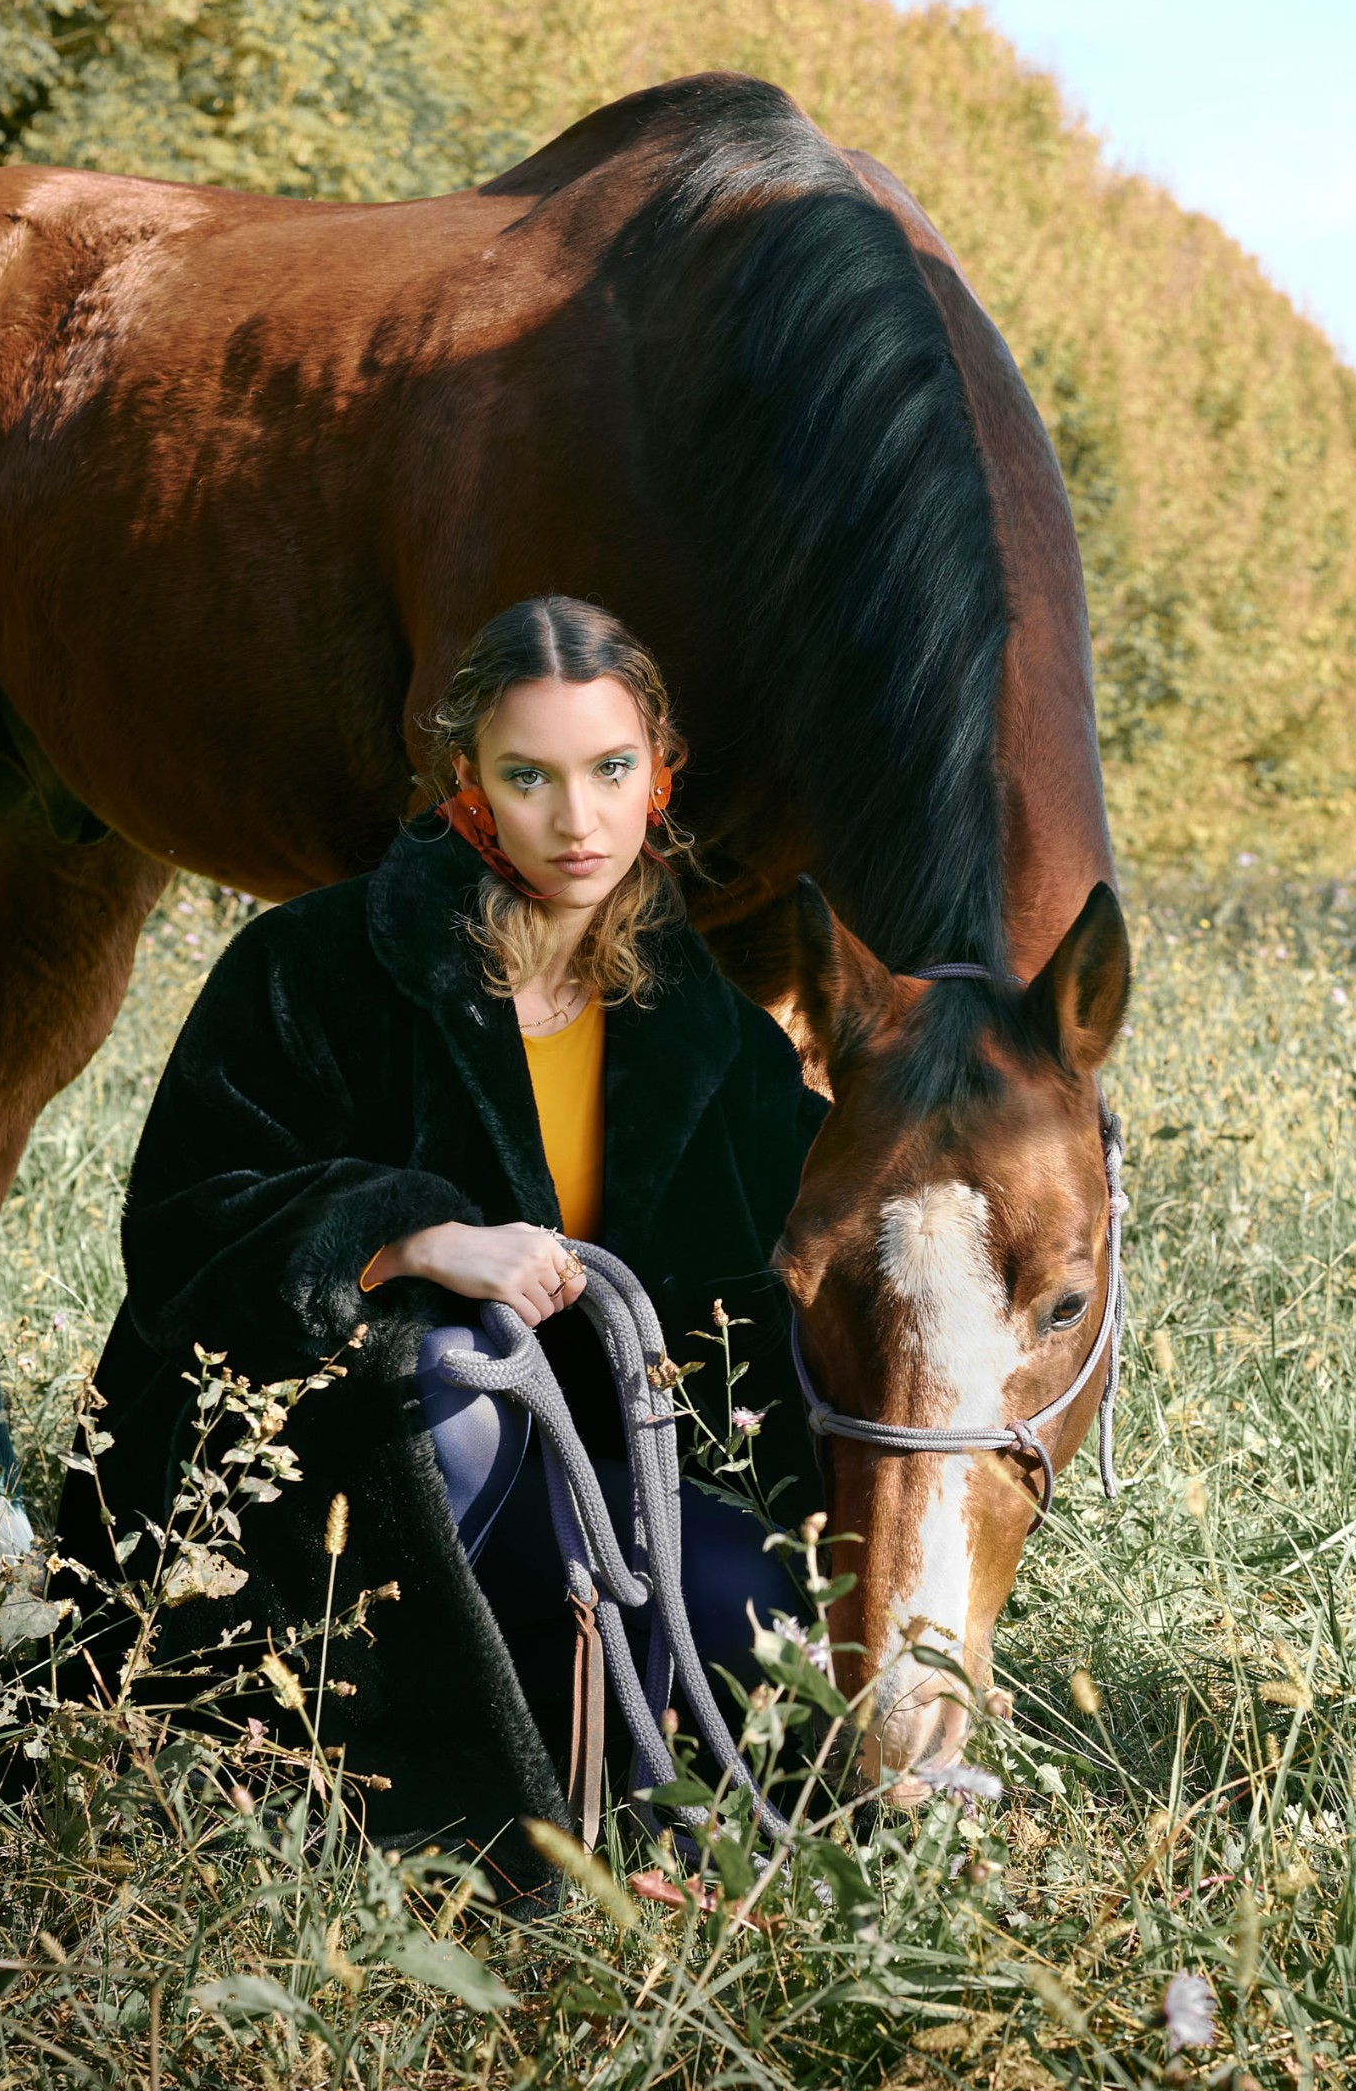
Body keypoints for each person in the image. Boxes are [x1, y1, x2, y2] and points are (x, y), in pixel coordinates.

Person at [59, 596, 827, 1888]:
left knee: (757, 1602)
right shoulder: (312, 969)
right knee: (457, 1376)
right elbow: (183, 1224)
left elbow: (798, 1267)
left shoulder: (711, 1032)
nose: (575, 822)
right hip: (325, 1474)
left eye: (611, 772)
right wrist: (411, 1237)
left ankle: (632, 1811)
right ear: (465, 783)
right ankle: (316, 1791)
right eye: (528, 777)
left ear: (661, 778)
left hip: (589, 1480)